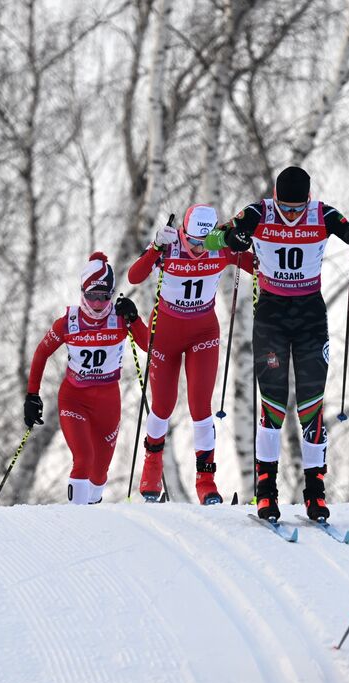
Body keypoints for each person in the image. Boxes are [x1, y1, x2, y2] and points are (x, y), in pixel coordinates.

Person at [203, 165, 349, 522]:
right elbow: (209, 240)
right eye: (286, 207)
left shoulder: (323, 214)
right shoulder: (257, 212)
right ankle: (266, 492)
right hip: (271, 317)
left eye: (298, 209)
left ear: (309, 201)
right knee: (273, 404)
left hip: (310, 318)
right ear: (275, 197)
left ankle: (315, 493)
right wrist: (231, 239)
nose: (292, 215)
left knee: (312, 406)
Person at [126, 204, 255, 504]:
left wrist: (246, 240)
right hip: (167, 335)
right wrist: (156, 247)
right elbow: (134, 276)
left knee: (200, 406)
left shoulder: (219, 248)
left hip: (203, 333)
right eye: (192, 240)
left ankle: (206, 480)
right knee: (162, 406)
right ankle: (152, 467)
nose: (198, 247)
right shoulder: (170, 247)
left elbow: (258, 263)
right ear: (183, 231)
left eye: (204, 241)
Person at [25, 252, 149, 504]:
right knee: (83, 459)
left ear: (112, 295)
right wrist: (32, 395)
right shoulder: (68, 322)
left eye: (104, 297)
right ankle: (76, 520)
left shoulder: (119, 317)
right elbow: (41, 353)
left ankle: (92, 515)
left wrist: (134, 319)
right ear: (82, 292)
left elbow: (148, 344)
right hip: (74, 398)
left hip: (108, 402)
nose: (97, 304)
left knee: (100, 472)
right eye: (92, 295)